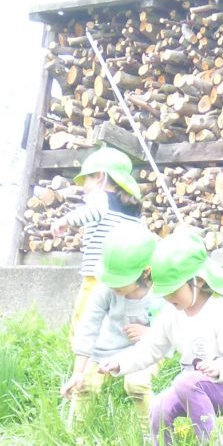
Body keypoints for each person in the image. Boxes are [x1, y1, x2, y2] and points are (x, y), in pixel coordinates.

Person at [99, 230, 223, 446]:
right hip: (193, 387)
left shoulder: (221, 313)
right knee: (159, 407)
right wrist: (120, 363)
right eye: (163, 292)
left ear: (198, 280)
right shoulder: (171, 315)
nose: (168, 298)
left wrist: (219, 368)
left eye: (173, 290)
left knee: (185, 382)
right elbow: (150, 348)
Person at [61, 223, 161, 420]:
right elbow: (89, 326)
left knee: (136, 384)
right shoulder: (106, 289)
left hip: (147, 349)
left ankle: (154, 431)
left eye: (120, 280)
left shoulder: (160, 292)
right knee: (85, 384)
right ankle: (74, 434)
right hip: (107, 348)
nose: (113, 284)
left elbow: (172, 328)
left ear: (145, 272)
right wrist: (78, 371)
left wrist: (150, 334)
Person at [64, 147, 144, 348]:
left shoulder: (100, 198)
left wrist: (65, 221)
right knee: (112, 320)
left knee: (85, 317)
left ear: (99, 176)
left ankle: (82, 353)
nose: (84, 188)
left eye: (86, 180)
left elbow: (92, 211)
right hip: (123, 278)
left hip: (96, 275)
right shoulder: (133, 209)